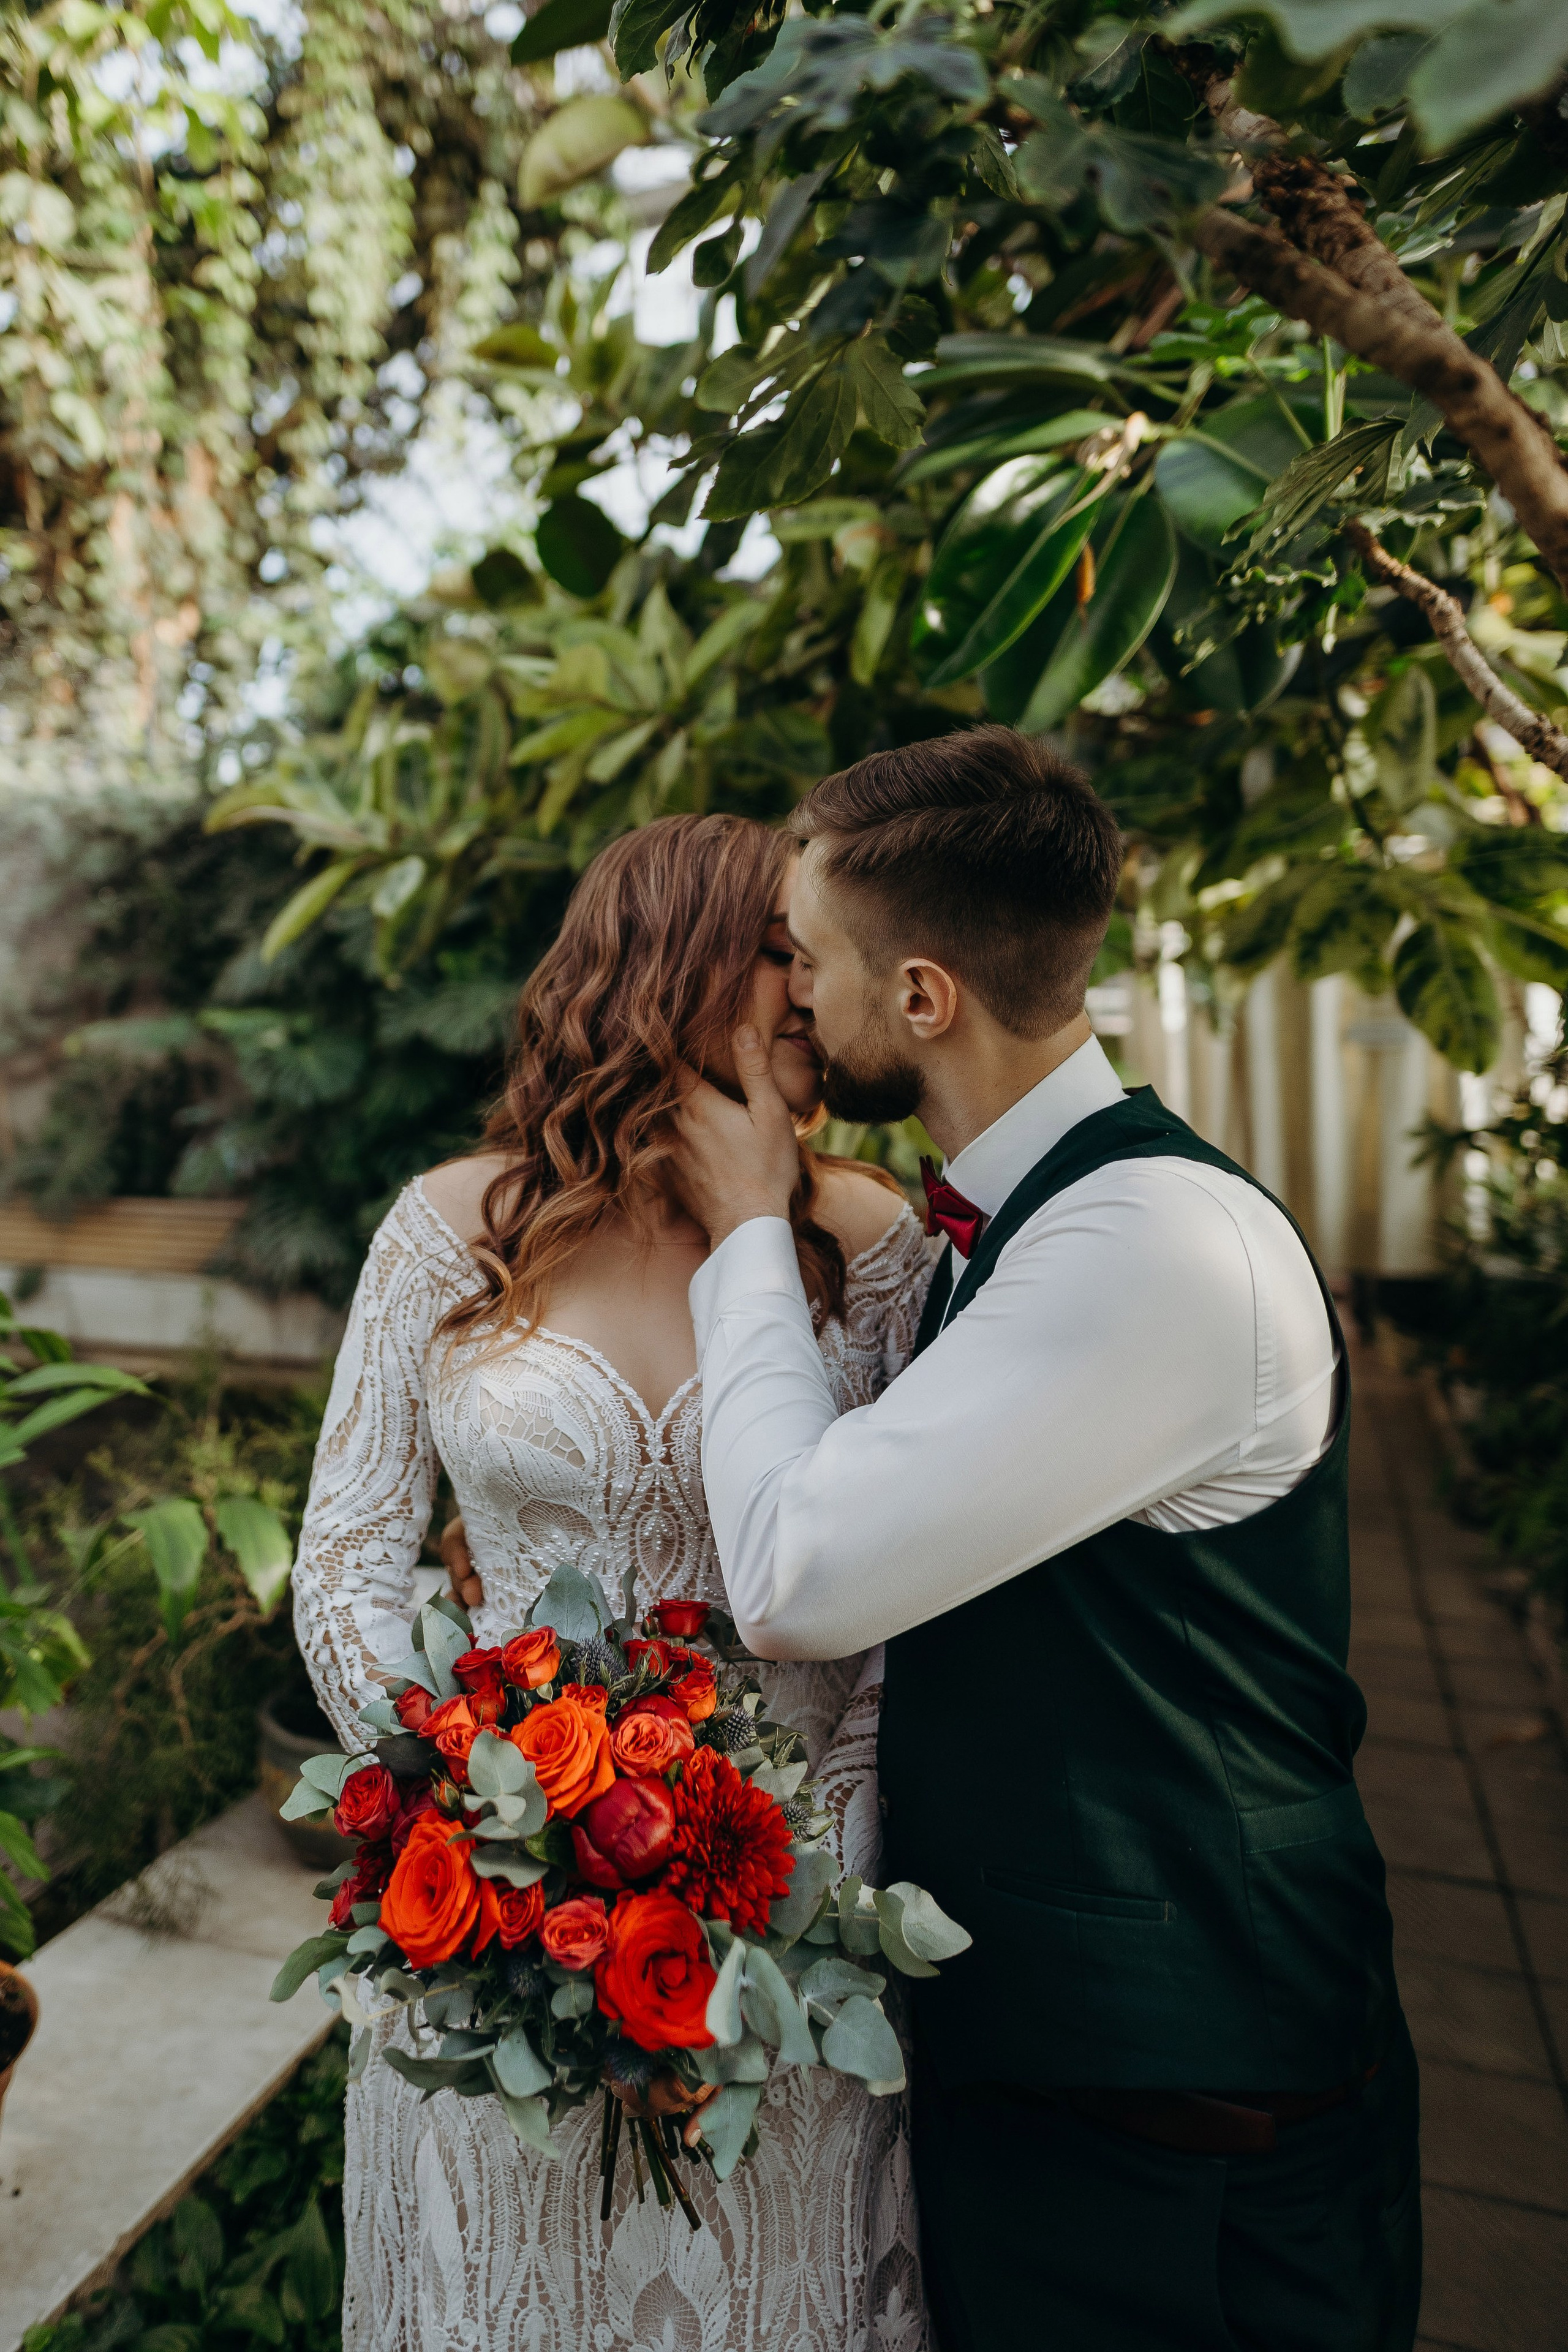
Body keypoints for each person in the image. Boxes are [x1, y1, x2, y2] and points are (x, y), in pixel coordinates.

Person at [668, 726, 1421, 2352]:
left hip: (1179, 2114)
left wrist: (742, 1232)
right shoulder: (1013, 1226)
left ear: (924, 997)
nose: (789, 995)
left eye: (807, 960)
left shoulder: (1149, 1246)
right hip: (1072, 2075)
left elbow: (801, 1574)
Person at [292, 813, 938, 2352]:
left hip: (792, 1944)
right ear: (674, 967)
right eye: (783, 950)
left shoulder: (877, 1245)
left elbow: (914, 1600)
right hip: (500, 1939)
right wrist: (472, 1813)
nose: (810, 991)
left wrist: (799, 1879)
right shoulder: (455, 1233)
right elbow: (347, 1556)